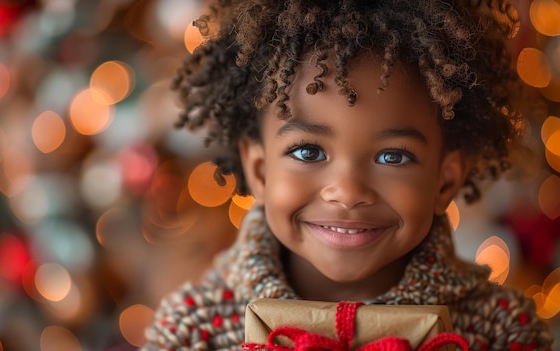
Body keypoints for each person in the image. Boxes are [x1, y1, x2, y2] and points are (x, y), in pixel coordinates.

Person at [140, 0, 555, 350]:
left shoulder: (502, 332)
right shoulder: (191, 331)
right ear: (260, 171)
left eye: (393, 156)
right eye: (308, 151)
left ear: (445, 180)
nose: (348, 192)